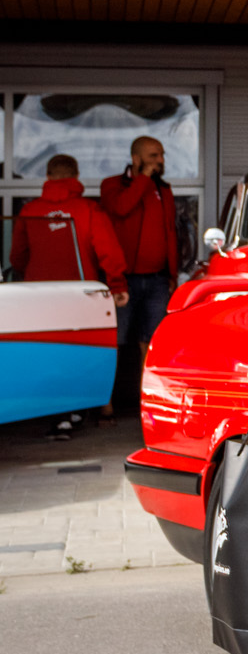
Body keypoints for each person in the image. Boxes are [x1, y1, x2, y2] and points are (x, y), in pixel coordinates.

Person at [12, 155, 130, 437]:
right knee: (80, 350)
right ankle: (72, 410)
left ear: (48, 176)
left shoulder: (30, 211)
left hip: (37, 294)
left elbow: (17, 256)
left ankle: (60, 414)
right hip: (79, 293)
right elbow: (108, 250)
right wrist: (116, 285)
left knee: (46, 352)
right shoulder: (88, 209)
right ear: (76, 175)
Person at [100, 135, 182, 408]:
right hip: (123, 281)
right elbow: (121, 208)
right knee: (114, 341)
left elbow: (170, 232)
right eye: (153, 156)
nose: (160, 161)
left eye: (161, 155)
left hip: (158, 280)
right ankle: (106, 404)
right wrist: (143, 178)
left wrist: (172, 274)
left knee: (152, 343)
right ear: (136, 159)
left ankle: (146, 404)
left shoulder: (163, 189)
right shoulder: (112, 185)